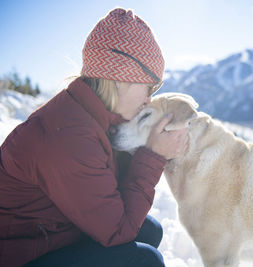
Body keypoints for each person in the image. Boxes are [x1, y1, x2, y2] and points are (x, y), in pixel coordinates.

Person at [0, 8, 188, 267]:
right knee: (144, 261)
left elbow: (108, 186)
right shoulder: (68, 136)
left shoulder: (88, 112)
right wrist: (154, 154)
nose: (149, 99)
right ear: (121, 79)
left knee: (149, 230)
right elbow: (117, 231)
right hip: (19, 253)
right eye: (148, 86)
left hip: (51, 230)